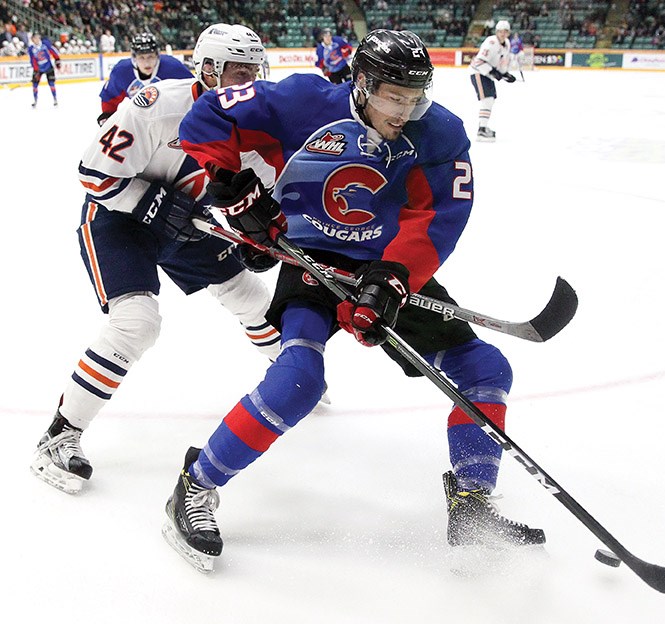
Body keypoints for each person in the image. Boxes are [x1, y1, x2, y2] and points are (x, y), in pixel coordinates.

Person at [163, 28, 546, 572]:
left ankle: (471, 503)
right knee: (298, 379)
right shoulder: (301, 101)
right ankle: (194, 485)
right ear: (362, 84)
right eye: (395, 96)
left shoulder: (438, 134)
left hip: (383, 268)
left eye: (416, 98)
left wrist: (393, 281)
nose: (406, 110)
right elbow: (208, 119)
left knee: (484, 367)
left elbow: (437, 220)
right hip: (310, 262)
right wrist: (231, 183)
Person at [30, 24, 281, 496]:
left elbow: (257, 196)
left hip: (189, 224)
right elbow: (93, 175)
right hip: (121, 219)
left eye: (252, 71)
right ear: (207, 70)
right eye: (235, 72)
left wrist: (259, 232)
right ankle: (59, 434)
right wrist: (160, 206)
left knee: (252, 299)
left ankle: (287, 375)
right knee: (137, 322)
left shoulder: (260, 127)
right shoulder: (156, 105)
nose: (246, 82)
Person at [98, 31, 192, 126]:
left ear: (157, 55)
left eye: (150, 56)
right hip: (141, 122)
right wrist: (108, 115)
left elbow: (194, 90)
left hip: (171, 120)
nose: (147, 63)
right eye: (141, 57)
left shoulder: (172, 67)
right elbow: (110, 97)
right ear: (134, 58)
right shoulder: (122, 71)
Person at [469, 20, 516, 142]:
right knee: (487, 100)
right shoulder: (491, 42)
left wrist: (505, 74)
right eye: (500, 31)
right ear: (496, 32)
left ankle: (483, 127)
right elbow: (479, 61)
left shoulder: (506, 44)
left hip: (487, 74)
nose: (503, 34)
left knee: (490, 100)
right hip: (478, 72)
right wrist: (492, 72)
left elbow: (501, 62)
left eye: (505, 31)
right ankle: (482, 129)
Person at [28, 32, 60, 108]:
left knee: (51, 83)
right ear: (32, 39)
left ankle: (55, 99)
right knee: (35, 85)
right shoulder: (31, 49)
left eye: (38, 37)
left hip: (48, 67)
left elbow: (52, 51)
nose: (37, 39)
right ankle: (35, 100)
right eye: (35, 38)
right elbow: (33, 60)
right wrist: (36, 70)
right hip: (39, 68)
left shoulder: (45, 44)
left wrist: (57, 59)